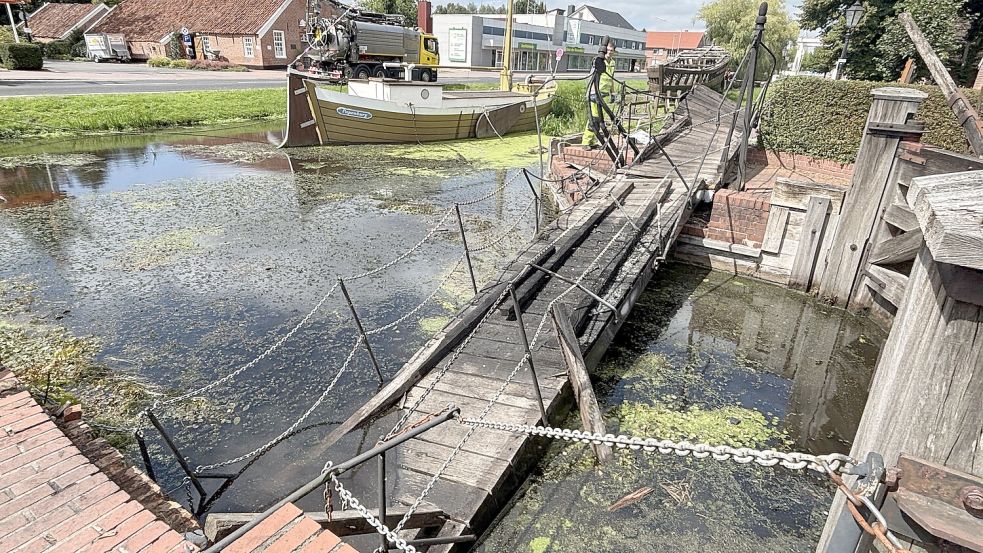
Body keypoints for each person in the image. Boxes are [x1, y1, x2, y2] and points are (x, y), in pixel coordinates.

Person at [581, 38, 617, 149]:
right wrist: (592, 92)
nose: (609, 52)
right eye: (608, 50)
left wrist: (613, 93)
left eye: (612, 50)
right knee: (594, 118)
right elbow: (592, 77)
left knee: (601, 119)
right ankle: (586, 142)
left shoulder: (612, 63)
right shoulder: (598, 61)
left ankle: (592, 141)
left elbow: (611, 79)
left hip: (604, 94)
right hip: (595, 92)